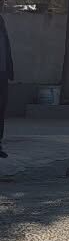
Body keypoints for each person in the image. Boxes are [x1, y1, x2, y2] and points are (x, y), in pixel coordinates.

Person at [0, 13, 12, 159]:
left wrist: (9, 69)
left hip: (2, 74)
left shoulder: (1, 21)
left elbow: (6, 47)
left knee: (1, 108)